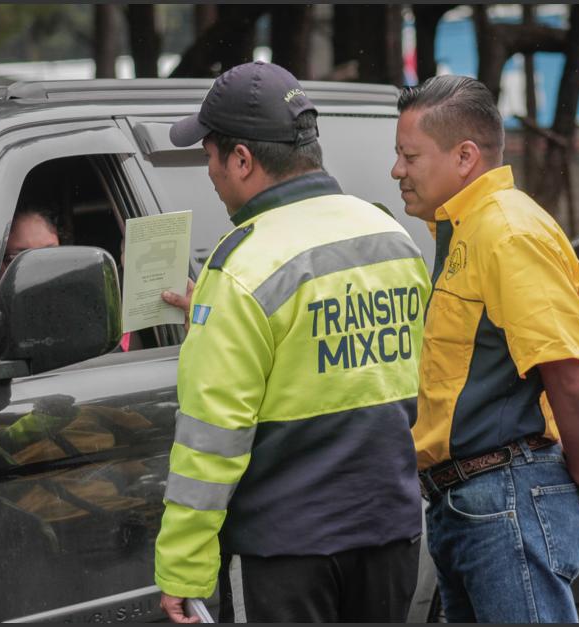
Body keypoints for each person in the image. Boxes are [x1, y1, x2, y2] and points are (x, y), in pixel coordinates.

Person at [153, 61, 432, 623]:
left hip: (286, 553)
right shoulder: (391, 238)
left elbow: (210, 442)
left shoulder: (240, 267)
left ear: (241, 160)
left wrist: (183, 572)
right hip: (392, 536)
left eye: (208, 155)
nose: (208, 172)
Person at [392, 75, 579, 622]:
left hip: (507, 497)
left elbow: (573, 375)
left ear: (465, 156)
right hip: (473, 503)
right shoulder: (464, 229)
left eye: (409, 156)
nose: (397, 171)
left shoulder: (507, 231)